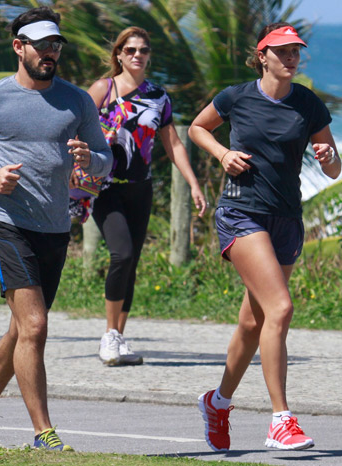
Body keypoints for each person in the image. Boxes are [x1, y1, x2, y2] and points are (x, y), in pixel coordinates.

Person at [0, 7, 112, 451]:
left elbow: (103, 157)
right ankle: (43, 433)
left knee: (21, 331)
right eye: (41, 45)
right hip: (6, 224)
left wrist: (86, 161)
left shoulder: (76, 100)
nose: (50, 53)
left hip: (55, 229)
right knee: (35, 327)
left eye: (55, 45)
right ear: (19, 47)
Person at [188, 23, 341, 452]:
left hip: (286, 220)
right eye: (282, 51)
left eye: (296, 52)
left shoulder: (308, 103)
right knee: (281, 308)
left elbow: (333, 168)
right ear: (263, 57)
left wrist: (330, 157)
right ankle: (281, 420)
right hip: (241, 213)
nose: (291, 58)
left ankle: (217, 402)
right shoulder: (237, 96)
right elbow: (198, 128)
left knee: (254, 322)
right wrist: (223, 153)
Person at [85, 27, 207, 366]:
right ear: (120, 55)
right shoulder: (103, 89)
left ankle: (118, 338)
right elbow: (75, 127)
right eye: (131, 50)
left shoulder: (158, 96)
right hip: (105, 187)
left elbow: (173, 143)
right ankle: (109, 335)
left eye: (143, 50)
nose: (137, 55)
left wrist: (194, 183)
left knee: (133, 263)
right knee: (121, 254)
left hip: (141, 188)